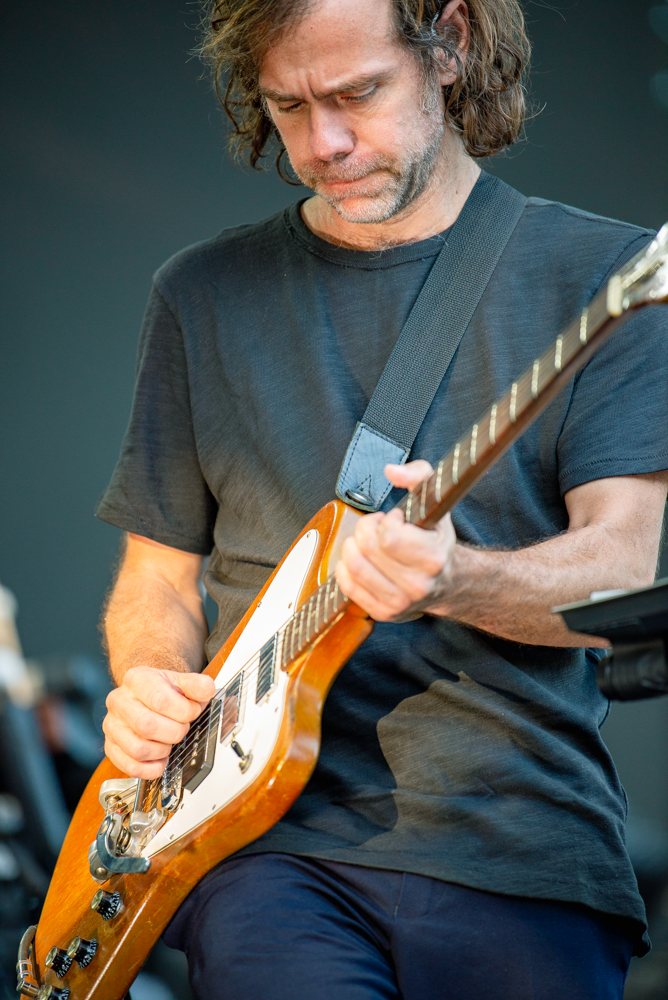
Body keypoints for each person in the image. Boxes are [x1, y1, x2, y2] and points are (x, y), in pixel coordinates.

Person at [96, 0, 668, 997]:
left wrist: (455, 578)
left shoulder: (603, 279)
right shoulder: (201, 294)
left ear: (449, 44)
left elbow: (617, 569)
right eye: (288, 106)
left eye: (358, 93)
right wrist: (147, 681)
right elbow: (159, 577)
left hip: (518, 839)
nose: (323, 143)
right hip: (268, 844)